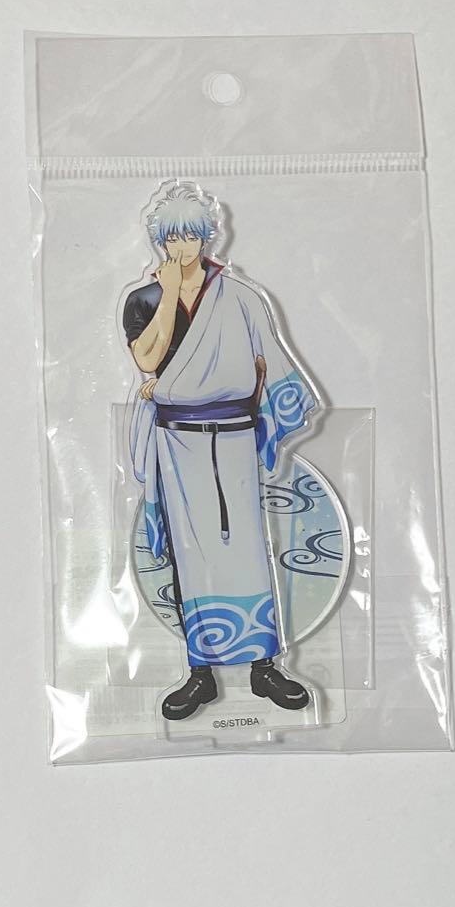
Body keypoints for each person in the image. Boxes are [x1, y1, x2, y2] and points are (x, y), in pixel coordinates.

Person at [123, 181, 316, 720]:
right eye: (171, 239)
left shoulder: (241, 297)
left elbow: (267, 361)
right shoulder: (143, 300)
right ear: (159, 241)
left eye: (190, 237)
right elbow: (147, 360)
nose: (182, 248)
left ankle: (264, 666)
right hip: (175, 440)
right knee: (190, 553)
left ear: (207, 236)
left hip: (233, 435)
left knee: (248, 546)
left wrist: (261, 398)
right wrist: (167, 296)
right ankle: (200, 673)